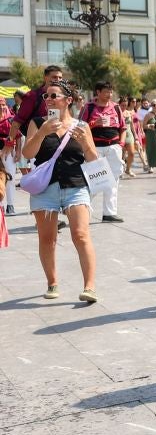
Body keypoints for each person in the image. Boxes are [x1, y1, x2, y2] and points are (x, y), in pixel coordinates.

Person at [20, 79, 100, 303]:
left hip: (76, 186)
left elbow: (94, 160)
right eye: (46, 96)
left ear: (68, 100)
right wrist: (42, 133)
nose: (48, 100)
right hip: (46, 188)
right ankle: (52, 283)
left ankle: (90, 287)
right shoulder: (38, 123)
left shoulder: (82, 126)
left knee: (81, 235)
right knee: (47, 239)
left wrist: (85, 143)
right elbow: (27, 154)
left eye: (54, 96)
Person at [80, 82, 126, 223]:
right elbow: (80, 126)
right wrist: (95, 123)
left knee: (113, 179)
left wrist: (121, 145)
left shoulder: (116, 107)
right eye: (106, 91)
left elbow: (123, 128)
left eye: (111, 92)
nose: (109, 95)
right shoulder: (89, 107)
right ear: (98, 92)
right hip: (95, 148)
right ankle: (82, 211)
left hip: (114, 146)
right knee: (95, 180)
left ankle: (109, 213)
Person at [3, 65, 62, 158]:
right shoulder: (32, 96)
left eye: (60, 77)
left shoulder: (62, 97)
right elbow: (16, 122)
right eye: (54, 77)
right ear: (45, 77)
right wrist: (9, 142)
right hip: (36, 146)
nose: (58, 80)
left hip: (58, 145)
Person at [143, 99, 156, 170]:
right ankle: (150, 165)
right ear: (151, 105)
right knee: (150, 149)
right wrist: (149, 126)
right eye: (154, 105)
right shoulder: (148, 115)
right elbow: (144, 126)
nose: (155, 106)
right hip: (150, 134)